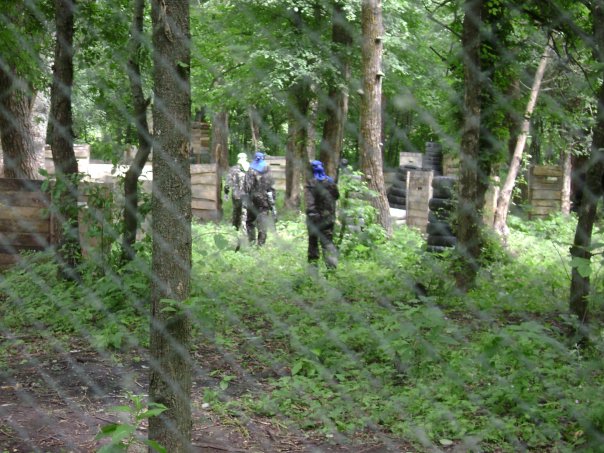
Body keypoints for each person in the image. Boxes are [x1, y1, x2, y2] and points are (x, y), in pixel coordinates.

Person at [305, 160, 339, 269]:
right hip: (328, 218)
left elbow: (309, 202)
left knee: (313, 242)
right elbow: (336, 196)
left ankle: (313, 266)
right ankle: (331, 267)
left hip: (314, 218)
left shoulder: (311, 183)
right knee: (327, 242)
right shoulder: (330, 182)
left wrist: (312, 213)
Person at [244, 151, 276, 246]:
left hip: (252, 201)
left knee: (249, 221)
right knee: (263, 223)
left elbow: (247, 187)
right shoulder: (267, 169)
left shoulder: (250, 170)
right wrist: (272, 203)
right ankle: (261, 244)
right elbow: (271, 188)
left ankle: (251, 241)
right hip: (264, 202)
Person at [224, 152, 249, 231]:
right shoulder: (249, 168)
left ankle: (235, 228)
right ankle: (245, 228)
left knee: (236, 211)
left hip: (236, 195)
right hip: (246, 194)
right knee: (245, 211)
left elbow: (227, 184)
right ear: (245, 159)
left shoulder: (232, 169)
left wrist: (226, 193)